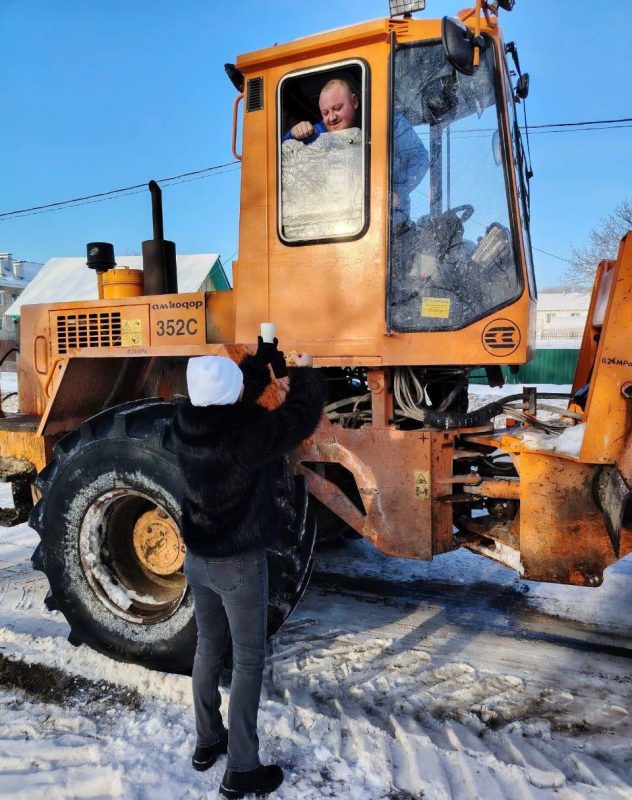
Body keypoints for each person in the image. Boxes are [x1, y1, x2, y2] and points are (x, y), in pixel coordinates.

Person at [172, 339, 326, 799]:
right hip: (239, 564)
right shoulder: (249, 432)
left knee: (207, 650)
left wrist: (263, 357)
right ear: (232, 395)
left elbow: (233, 391)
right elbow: (298, 418)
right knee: (248, 662)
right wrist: (306, 374)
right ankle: (242, 768)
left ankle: (206, 742)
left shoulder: (182, 423)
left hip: (198, 559)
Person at [283, 78, 428, 227]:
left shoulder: (388, 123)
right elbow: (282, 159)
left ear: (355, 102)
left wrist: (396, 192)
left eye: (337, 108)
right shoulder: (317, 134)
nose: (331, 118)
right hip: (340, 226)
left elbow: (419, 158)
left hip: (389, 221)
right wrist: (292, 134)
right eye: (325, 113)